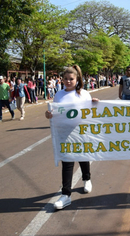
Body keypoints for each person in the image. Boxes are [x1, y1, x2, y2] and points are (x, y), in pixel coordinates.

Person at [45, 65, 98, 210]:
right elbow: (54, 112)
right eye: (66, 79)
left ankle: (87, 179)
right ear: (62, 79)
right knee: (67, 162)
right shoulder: (58, 95)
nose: (68, 81)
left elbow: (91, 112)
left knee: (83, 156)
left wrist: (97, 104)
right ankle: (66, 195)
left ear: (77, 79)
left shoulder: (84, 94)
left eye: (71, 79)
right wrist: (48, 114)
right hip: (64, 134)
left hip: (80, 132)